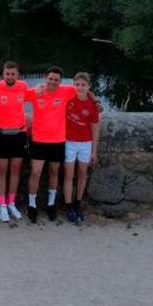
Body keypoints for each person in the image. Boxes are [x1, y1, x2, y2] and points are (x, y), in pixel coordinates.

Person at [25, 66, 76, 223]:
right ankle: (32, 205)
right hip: (38, 140)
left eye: (56, 80)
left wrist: (95, 102)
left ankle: (51, 204)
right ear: (45, 79)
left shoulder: (66, 91)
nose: (53, 82)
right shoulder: (36, 91)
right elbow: (15, 97)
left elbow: (84, 89)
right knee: (35, 173)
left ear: (60, 81)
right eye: (50, 79)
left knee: (54, 172)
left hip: (58, 140)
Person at [0, 61, 29, 223]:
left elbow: (43, 93)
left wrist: (94, 100)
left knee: (16, 169)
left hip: (19, 134)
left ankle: (11, 202)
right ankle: (2, 205)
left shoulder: (23, 86)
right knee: (1, 170)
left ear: (18, 75)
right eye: (7, 74)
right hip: (1, 135)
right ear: (3, 74)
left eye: (13, 74)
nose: (10, 77)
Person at [63, 71, 101, 224]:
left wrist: (94, 151)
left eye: (83, 85)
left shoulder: (92, 105)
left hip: (85, 144)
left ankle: (78, 203)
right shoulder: (67, 99)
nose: (79, 87)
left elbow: (95, 129)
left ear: (88, 86)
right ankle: (68, 206)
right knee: (68, 176)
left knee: (82, 174)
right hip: (69, 142)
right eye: (77, 84)